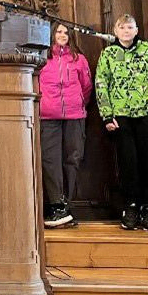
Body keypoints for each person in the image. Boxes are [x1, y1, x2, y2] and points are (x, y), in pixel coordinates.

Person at [95, 14, 148, 232]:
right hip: (121, 115)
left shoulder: (146, 51)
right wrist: (107, 115)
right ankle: (131, 206)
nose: (126, 31)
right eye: (122, 27)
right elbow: (101, 84)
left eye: (130, 27)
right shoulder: (108, 54)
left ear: (136, 30)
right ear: (116, 31)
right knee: (128, 163)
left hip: (147, 113)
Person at [38, 21, 92, 228]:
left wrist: (78, 103)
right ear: (51, 34)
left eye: (66, 32)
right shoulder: (42, 58)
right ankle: (56, 204)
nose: (62, 35)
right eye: (58, 31)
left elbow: (86, 87)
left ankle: (66, 204)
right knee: (50, 161)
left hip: (74, 115)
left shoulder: (79, 59)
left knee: (73, 158)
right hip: (48, 116)